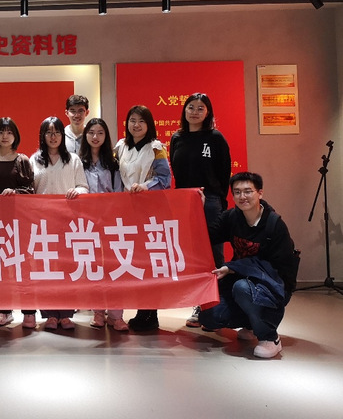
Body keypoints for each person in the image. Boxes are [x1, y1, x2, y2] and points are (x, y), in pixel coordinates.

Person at [198, 172, 297, 359]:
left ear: (260, 193)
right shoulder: (232, 217)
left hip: (273, 285)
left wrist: (234, 268)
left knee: (242, 288)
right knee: (210, 316)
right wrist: (199, 208)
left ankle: (270, 337)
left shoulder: (274, 225)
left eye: (248, 191)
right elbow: (206, 237)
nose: (242, 197)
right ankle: (251, 324)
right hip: (242, 279)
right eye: (237, 192)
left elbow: (279, 268)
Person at [170, 93, 232, 327]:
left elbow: (224, 172)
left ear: (208, 113)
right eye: (191, 107)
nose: (195, 112)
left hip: (210, 202)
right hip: (185, 202)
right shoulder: (177, 137)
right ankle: (200, 305)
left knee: (213, 255)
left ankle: (217, 306)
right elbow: (177, 171)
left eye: (200, 108)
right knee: (193, 255)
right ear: (184, 110)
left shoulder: (215, 138)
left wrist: (217, 199)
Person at [114, 105, 171, 331]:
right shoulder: (120, 147)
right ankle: (140, 310)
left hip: (149, 211)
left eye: (141, 121)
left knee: (148, 261)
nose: (136, 125)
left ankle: (150, 312)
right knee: (132, 261)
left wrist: (145, 187)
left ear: (149, 124)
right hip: (124, 212)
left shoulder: (157, 148)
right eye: (132, 120)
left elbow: (165, 179)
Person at [0, 117, 35, 328]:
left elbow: (30, 189)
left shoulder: (22, 160)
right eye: (1, 131)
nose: (5, 136)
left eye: (9, 132)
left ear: (15, 136)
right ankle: (4, 310)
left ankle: (29, 312)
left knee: (23, 266)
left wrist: (15, 192)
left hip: (18, 222)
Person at [32, 116, 89, 330]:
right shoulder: (34, 160)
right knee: (46, 269)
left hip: (68, 222)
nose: (53, 136)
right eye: (49, 132)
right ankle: (49, 315)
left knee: (67, 268)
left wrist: (77, 191)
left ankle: (66, 314)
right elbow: (29, 191)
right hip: (42, 224)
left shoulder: (73, 160)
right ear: (43, 136)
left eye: (57, 132)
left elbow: (84, 186)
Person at [78, 117, 128, 331]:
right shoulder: (78, 162)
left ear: (106, 136)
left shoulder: (114, 163)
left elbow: (118, 193)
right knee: (95, 267)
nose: (95, 137)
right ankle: (98, 312)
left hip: (111, 222)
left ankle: (116, 316)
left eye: (100, 132)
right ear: (85, 136)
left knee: (115, 267)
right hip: (87, 223)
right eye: (91, 133)